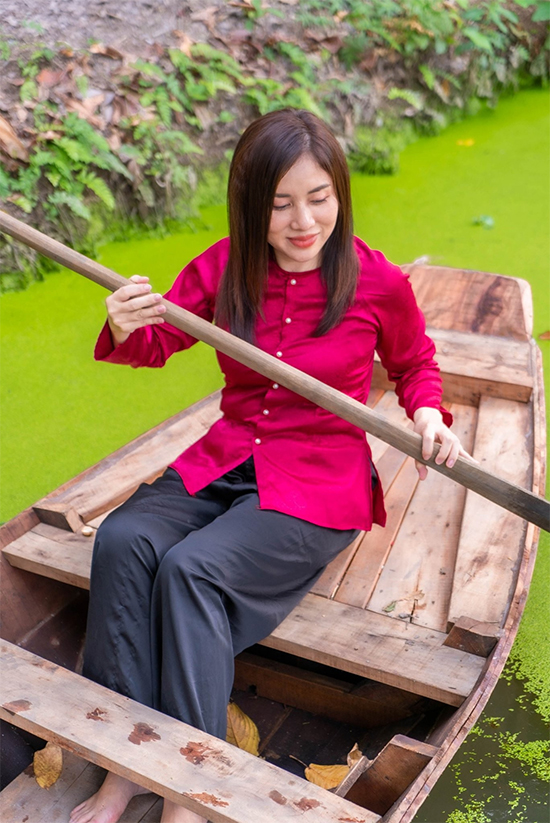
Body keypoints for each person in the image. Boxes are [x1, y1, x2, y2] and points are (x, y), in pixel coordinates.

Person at [70, 108, 468, 823]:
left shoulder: (375, 280)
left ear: (339, 194)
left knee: (193, 569)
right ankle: (125, 765)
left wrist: (429, 416)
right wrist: (127, 324)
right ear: (252, 203)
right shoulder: (224, 266)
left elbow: (416, 364)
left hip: (318, 479)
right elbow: (158, 343)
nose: (303, 221)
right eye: (281, 204)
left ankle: (191, 788)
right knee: (124, 540)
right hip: (228, 456)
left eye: (318, 197)